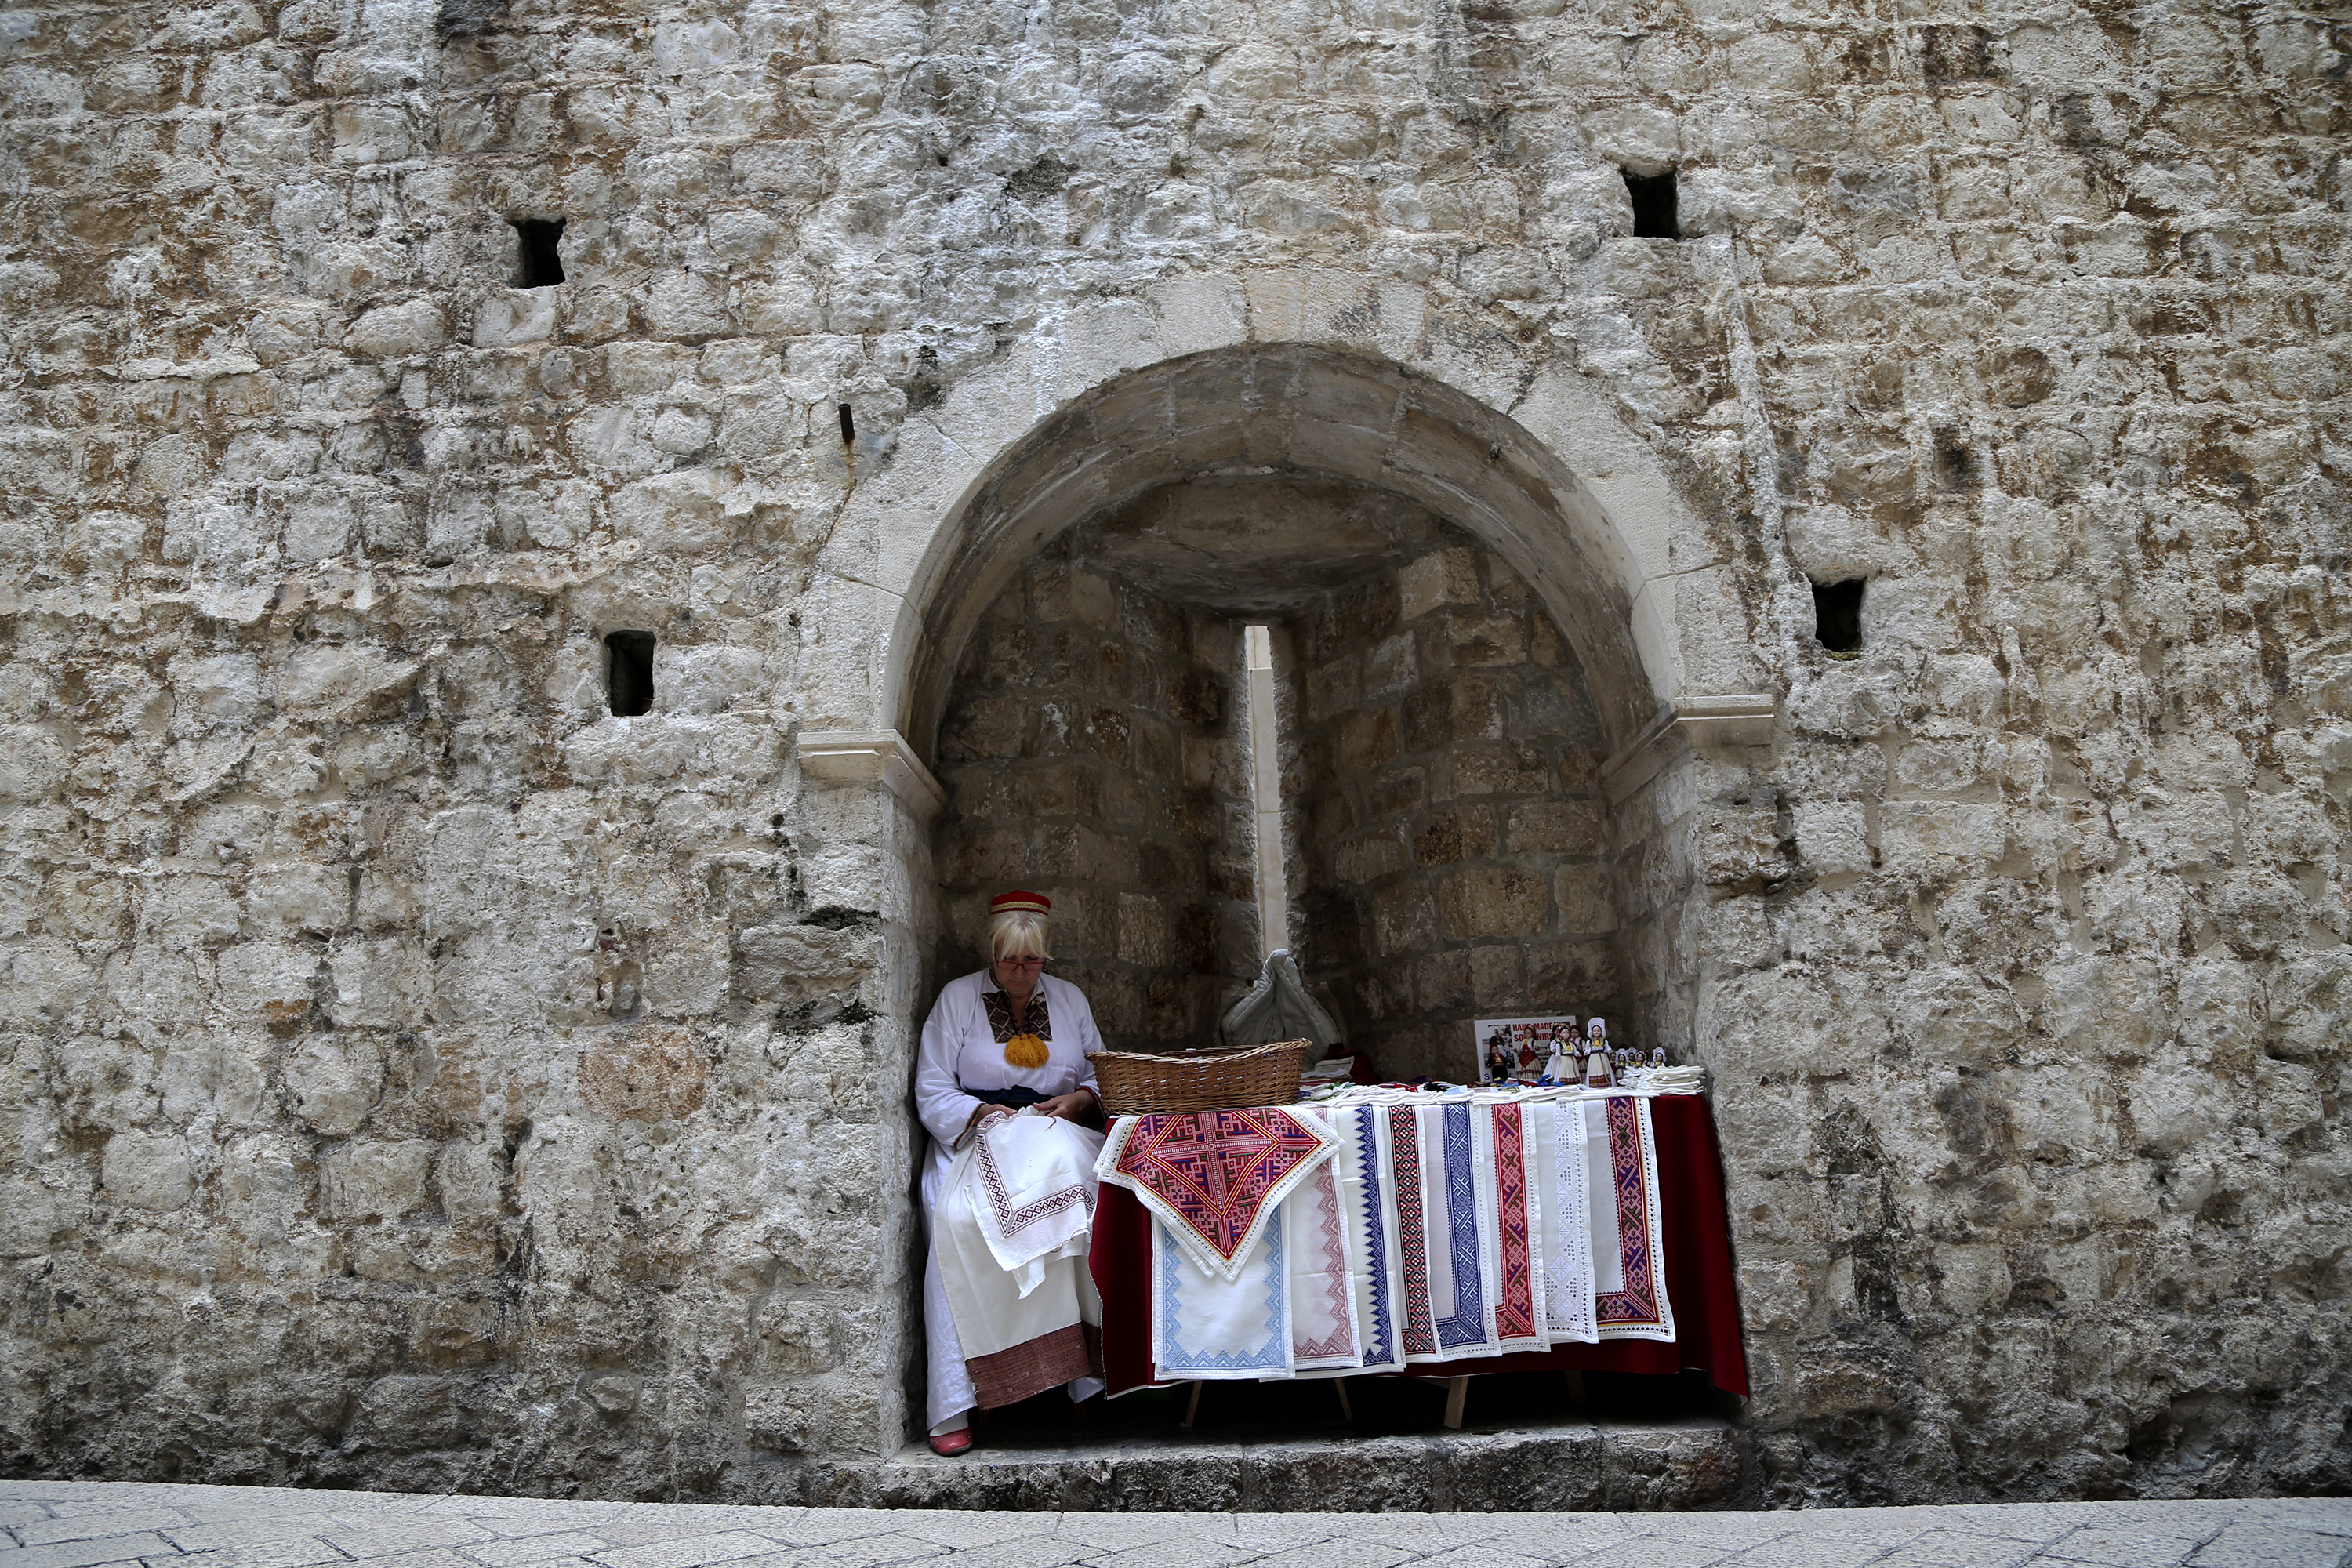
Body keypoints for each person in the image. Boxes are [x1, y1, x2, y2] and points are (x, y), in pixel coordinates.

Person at [913, 889, 1105, 1455]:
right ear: (992, 955)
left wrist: (1079, 1101)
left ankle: (1081, 1381)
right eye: (1009, 960)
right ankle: (954, 1401)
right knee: (956, 1223)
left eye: (1032, 961)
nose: (1020, 971)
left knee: (1083, 1206)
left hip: (1053, 1130)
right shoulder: (956, 999)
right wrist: (976, 1112)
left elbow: (1102, 1072)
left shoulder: (1070, 1000)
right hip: (975, 1136)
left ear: (1046, 958)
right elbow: (930, 1086)